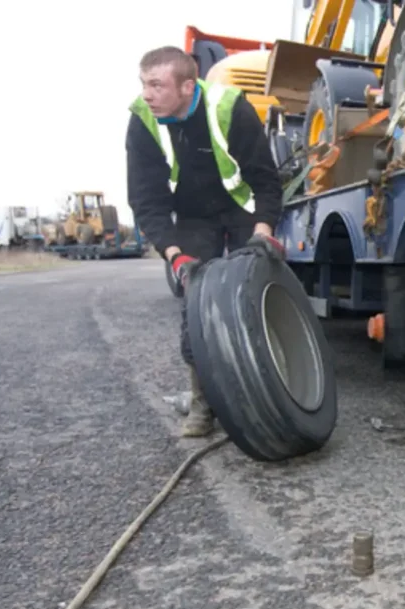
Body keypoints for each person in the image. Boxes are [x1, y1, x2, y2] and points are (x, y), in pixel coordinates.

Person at [127, 45, 286, 438]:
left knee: (260, 289)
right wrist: (174, 254)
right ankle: (203, 405)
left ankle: (280, 391)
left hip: (241, 205)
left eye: (156, 85)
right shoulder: (143, 120)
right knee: (196, 300)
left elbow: (265, 179)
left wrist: (264, 229)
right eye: (143, 84)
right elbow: (147, 199)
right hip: (195, 215)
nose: (147, 94)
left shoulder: (229, 107)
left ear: (186, 86)